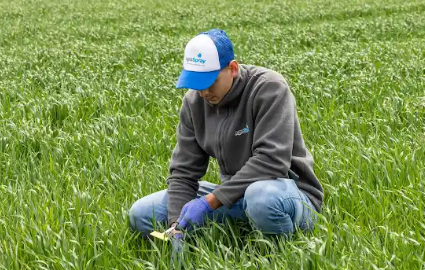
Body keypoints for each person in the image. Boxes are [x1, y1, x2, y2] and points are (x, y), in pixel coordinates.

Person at [128, 29, 324, 237]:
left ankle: (281, 257)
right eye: (196, 84)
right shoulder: (194, 102)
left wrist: (209, 202)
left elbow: (271, 161)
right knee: (141, 213)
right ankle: (237, 229)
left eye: (209, 83)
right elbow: (184, 172)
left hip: (285, 195)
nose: (204, 93)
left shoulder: (269, 88)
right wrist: (176, 225)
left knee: (260, 198)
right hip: (232, 196)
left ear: (232, 68)